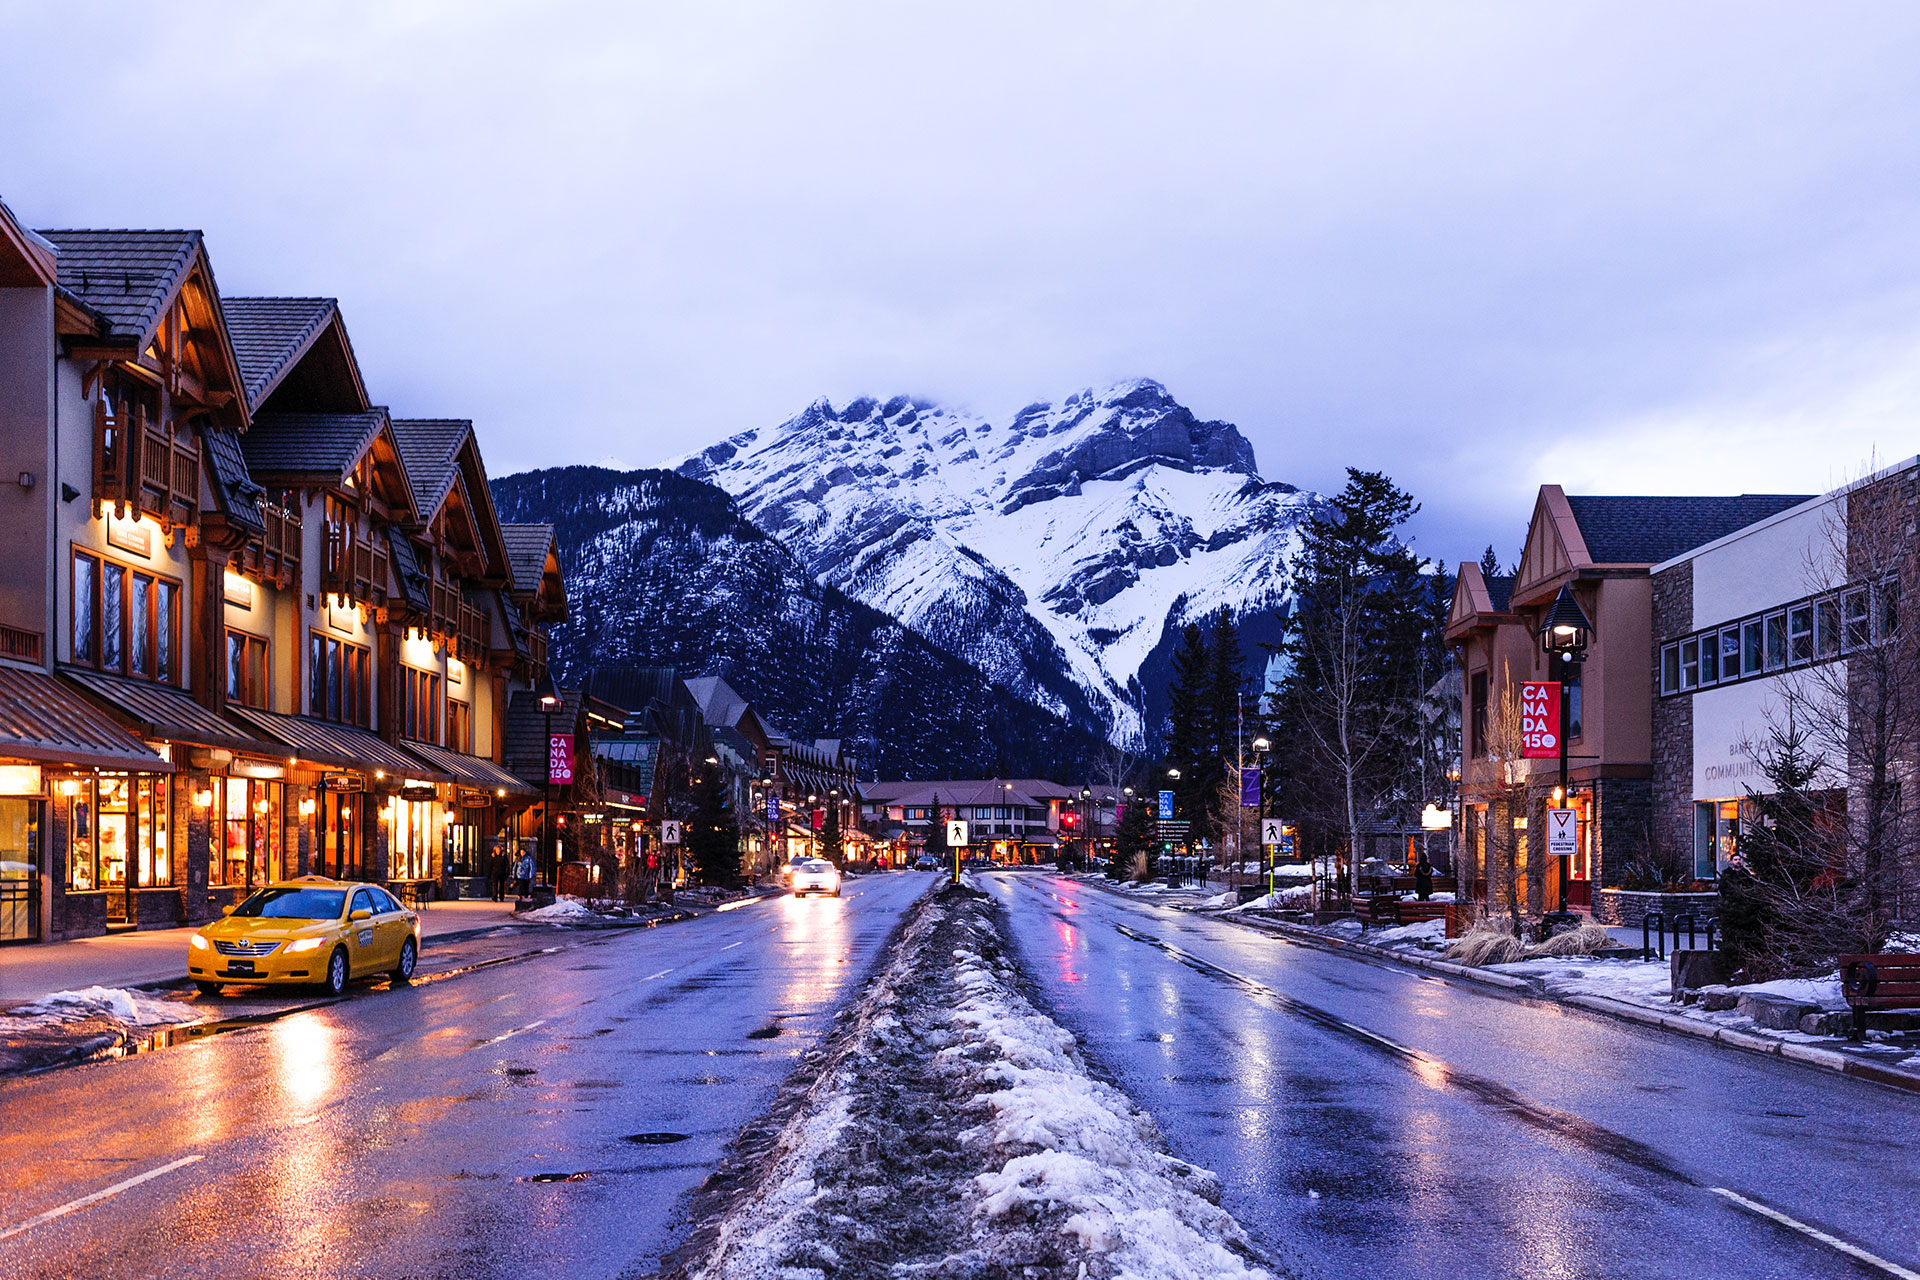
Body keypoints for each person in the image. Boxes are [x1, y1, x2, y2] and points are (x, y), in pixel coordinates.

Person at [487, 837, 509, 902]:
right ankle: (494, 897)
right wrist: (489, 873)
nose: (498, 851)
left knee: (501, 886)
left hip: (502, 873)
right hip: (495, 873)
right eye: (497, 850)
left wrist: (507, 872)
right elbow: (490, 865)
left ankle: (501, 897)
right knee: (494, 885)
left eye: (499, 850)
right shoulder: (493, 856)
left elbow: (507, 864)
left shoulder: (504, 856)